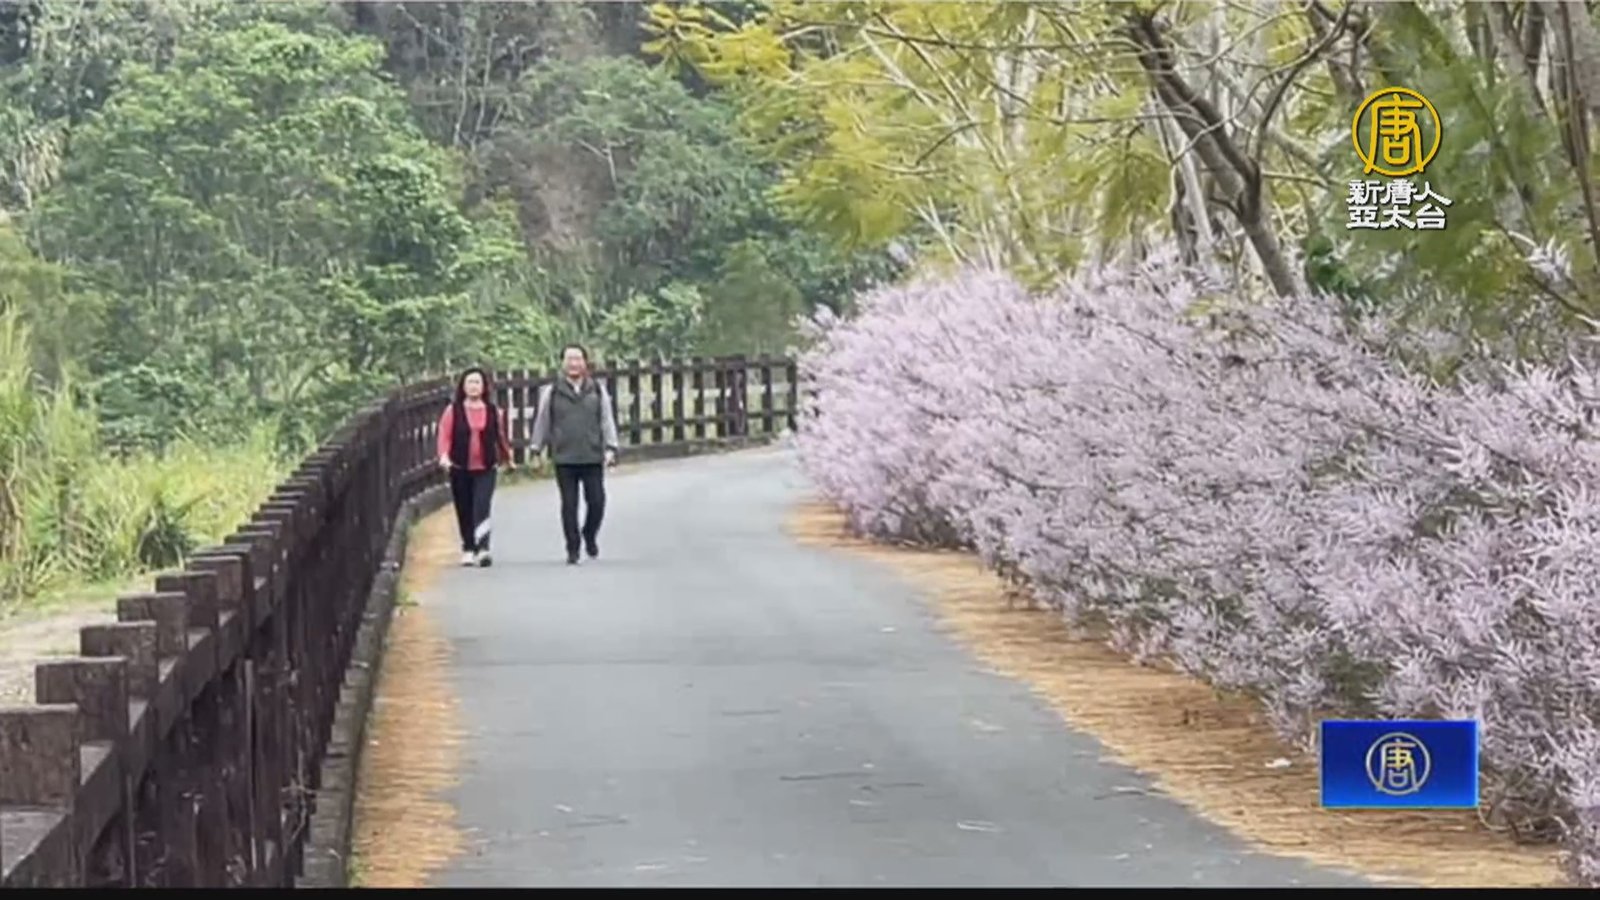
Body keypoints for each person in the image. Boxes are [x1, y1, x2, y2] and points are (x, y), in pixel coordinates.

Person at [529, 344, 619, 565]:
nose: (574, 363)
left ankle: (589, 534)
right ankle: (573, 547)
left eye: (578, 359)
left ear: (585, 362)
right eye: (569, 359)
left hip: (591, 454)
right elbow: (543, 421)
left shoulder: (597, 389)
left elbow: (606, 419)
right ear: (562, 363)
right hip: (564, 457)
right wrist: (536, 449)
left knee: (597, 501)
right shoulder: (552, 392)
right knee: (569, 504)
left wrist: (611, 447)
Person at [437, 367, 513, 567]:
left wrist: (507, 457)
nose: (473, 386)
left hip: (486, 466)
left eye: (477, 382)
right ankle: (468, 547)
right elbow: (444, 436)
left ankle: (483, 547)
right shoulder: (453, 411)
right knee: (464, 508)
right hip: (460, 467)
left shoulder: (493, 411)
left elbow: (501, 437)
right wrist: (444, 457)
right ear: (463, 386)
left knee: (482, 506)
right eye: (469, 382)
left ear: (484, 386)